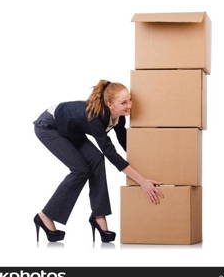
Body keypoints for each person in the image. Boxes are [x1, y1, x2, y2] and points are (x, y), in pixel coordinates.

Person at [32, 80, 164, 243]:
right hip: (49, 126)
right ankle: (44, 216)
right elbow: (110, 153)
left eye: (129, 100)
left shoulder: (119, 117)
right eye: (123, 102)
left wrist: (151, 163)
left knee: (96, 159)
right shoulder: (95, 117)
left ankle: (97, 216)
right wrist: (142, 181)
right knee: (80, 170)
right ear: (110, 104)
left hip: (72, 130)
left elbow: (125, 145)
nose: (129, 105)